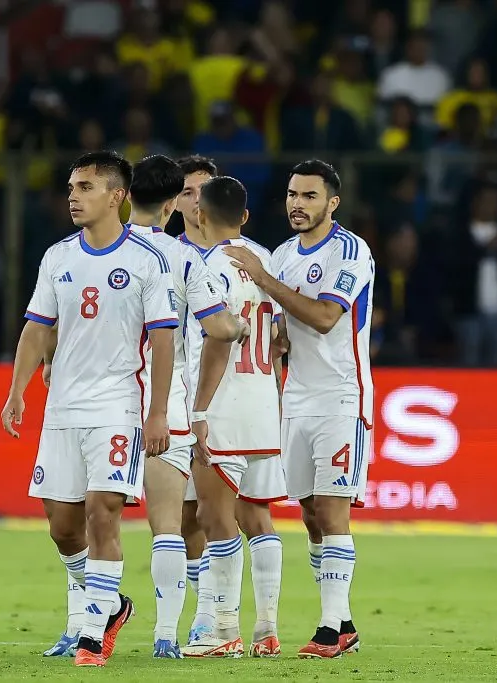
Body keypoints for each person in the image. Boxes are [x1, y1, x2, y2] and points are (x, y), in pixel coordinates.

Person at [0, 151, 178, 668]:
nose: (73, 197)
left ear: (116, 195)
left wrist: (158, 412)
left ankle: (93, 632)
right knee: (62, 525)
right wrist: (17, 391)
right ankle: (111, 603)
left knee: (104, 512)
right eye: (71, 188)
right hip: (63, 408)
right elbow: (37, 327)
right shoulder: (58, 257)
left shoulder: (148, 260)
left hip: (117, 407)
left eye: (84, 187)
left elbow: (163, 340)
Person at [226, 159, 373, 658]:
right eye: (292, 194)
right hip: (295, 398)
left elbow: (327, 317)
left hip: (341, 396)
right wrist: (274, 337)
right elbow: (289, 325)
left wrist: (263, 280)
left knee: (332, 510)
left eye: (310, 196)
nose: (297, 204)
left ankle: (330, 628)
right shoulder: (285, 254)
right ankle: (343, 621)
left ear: (333, 203)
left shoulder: (350, 251)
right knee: (310, 513)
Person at [125, 155, 247, 659]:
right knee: (171, 524)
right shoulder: (182, 259)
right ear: (173, 203)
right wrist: (244, 326)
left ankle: (85, 625)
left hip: (111, 404)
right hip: (169, 403)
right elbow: (221, 327)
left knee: (95, 519)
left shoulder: (91, 249)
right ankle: (166, 635)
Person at [182, 176, 286, 659]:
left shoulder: (208, 266)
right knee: (258, 516)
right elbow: (282, 338)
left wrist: (199, 410)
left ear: (200, 214)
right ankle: (267, 629)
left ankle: (223, 630)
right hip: (264, 401)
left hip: (224, 404)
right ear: (244, 216)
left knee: (214, 517)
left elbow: (218, 339)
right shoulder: (265, 260)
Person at [172, 154, 220, 644]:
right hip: (177, 397)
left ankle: (230, 617)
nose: (196, 201)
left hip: (231, 401)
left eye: (204, 191)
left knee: (227, 514)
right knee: (187, 517)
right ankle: (203, 613)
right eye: (186, 192)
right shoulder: (162, 256)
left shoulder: (249, 256)